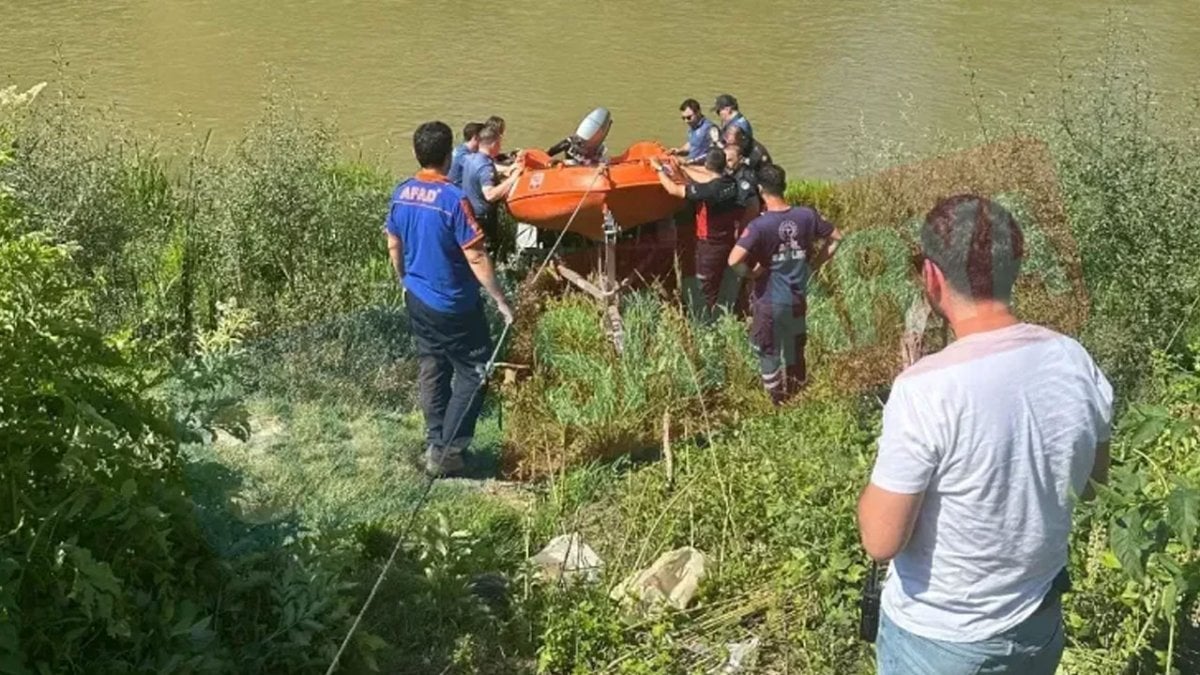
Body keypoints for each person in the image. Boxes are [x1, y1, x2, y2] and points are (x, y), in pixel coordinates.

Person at [856, 195, 1113, 674]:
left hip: (939, 643)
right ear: (1015, 268)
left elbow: (881, 540)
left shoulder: (925, 389)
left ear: (932, 276)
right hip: (1038, 623)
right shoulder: (1074, 360)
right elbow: (1094, 485)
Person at [384, 121, 515, 477]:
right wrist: (501, 301)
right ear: (446, 156)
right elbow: (475, 256)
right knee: (474, 373)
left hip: (418, 299)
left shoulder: (401, 192)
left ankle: (434, 440)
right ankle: (448, 453)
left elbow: (393, 243)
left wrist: (404, 280)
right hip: (454, 305)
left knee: (433, 367)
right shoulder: (453, 200)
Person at [728, 163, 841, 404]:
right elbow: (836, 238)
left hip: (769, 301)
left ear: (760, 190)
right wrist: (814, 265)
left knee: (768, 351)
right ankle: (798, 394)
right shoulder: (806, 215)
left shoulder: (759, 226)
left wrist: (751, 274)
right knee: (795, 349)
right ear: (784, 186)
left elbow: (733, 260)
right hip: (797, 298)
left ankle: (777, 402)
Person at [651, 148, 742, 317]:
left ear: (707, 166)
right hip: (727, 240)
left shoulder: (709, 191)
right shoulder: (731, 182)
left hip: (709, 245)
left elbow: (673, 190)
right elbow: (703, 180)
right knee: (717, 282)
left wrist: (658, 168)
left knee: (704, 287)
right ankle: (721, 314)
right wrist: (683, 168)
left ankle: (706, 324)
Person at [460, 125, 524, 258]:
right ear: (494, 143)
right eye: (499, 143)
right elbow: (490, 195)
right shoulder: (485, 166)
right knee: (489, 253)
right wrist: (513, 178)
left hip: (470, 214)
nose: (500, 147)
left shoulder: (471, 158)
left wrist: (508, 169)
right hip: (484, 219)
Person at [668, 98, 715, 164]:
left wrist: (689, 162)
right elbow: (691, 145)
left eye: (689, 117)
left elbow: (716, 154)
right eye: (683, 118)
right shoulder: (692, 127)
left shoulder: (710, 128)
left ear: (698, 112)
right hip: (690, 163)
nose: (686, 121)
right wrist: (679, 151)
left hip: (702, 167)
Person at [448, 121, 483, 187]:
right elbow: (481, 166)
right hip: (458, 189)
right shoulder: (463, 154)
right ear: (475, 138)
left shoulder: (460, 148)